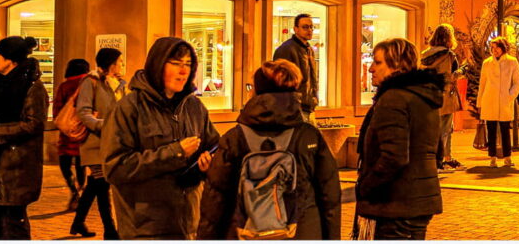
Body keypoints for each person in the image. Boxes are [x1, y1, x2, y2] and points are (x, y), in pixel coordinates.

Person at [198, 60, 341, 239]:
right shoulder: (309, 137)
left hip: (245, 233)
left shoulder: (234, 138)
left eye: (251, 86)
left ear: (259, 92)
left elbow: (215, 201)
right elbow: (330, 199)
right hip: (303, 232)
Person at [102, 37, 219, 239]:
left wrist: (209, 165)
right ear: (158, 65)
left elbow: (214, 146)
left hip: (189, 223)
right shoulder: (129, 108)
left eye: (188, 65)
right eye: (175, 64)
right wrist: (175, 152)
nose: (183, 71)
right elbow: (115, 168)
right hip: (145, 228)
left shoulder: (194, 107)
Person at [354, 38, 443, 240]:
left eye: (377, 63)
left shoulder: (394, 98)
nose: (370, 69)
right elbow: (437, 150)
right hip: (419, 199)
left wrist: (366, 186)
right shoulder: (422, 96)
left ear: (396, 65)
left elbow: (394, 156)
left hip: (396, 202)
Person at [0, 36, 49, 239]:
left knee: (13, 227)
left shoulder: (32, 87)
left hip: (16, 168)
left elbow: (34, 124)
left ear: (10, 60)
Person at [71, 47, 126, 239]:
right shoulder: (91, 82)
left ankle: (78, 222)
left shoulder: (120, 85)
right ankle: (110, 231)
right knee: (103, 184)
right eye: (119, 61)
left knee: (96, 183)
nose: (122, 64)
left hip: (114, 143)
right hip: (95, 143)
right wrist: (104, 125)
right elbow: (83, 112)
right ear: (110, 64)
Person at [420, 24, 464, 173]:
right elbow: (449, 76)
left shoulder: (425, 55)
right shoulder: (449, 55)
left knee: (434, 128)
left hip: (428, 95)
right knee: (445, 129)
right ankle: (441, 160)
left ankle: (444, 158)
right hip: (445, 95)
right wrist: (461, 72)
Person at [477, 36, 519, 169]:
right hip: (489, 100)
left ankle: (507, 157)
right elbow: (482, 83)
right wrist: (479, 102)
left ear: (503, 48)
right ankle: (492, 158)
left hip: (504, 101)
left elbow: (518, 82)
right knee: (490, 130)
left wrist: (510, 96)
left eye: (497, 47)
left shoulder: (512, 62)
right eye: (492, 47)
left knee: (505, 130)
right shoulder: (487, 63)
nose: (494, 50)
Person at [54, 58, 90, 212]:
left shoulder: (64, 86)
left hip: (67, 133)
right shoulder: (89, 85)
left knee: (65, 164)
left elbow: (57, 109)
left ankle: (73, 190)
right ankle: (80, 189)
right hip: (84, 132)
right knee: (81, 164)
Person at [274, 13, 319, 123]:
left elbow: (312, 79)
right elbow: (280, 82)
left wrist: (314, 98)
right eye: (305, 27)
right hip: (294, 109)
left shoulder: (309, 49)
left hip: (308, 107)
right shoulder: (287, 49)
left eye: (311, 27)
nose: (309, 30)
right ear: (295, 29)